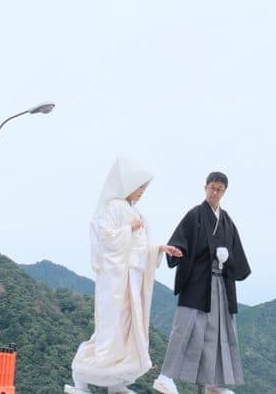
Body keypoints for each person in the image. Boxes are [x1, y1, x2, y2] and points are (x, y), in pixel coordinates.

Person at [65, 157, 183, 394]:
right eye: (140, 187)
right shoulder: (114, 207)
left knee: (127, 334)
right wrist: (129, 229)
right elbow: (105, 238)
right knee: (109, 334)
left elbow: (139, 248)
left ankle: (116, 384)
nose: (141, 192)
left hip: (132, 282)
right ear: (128, 184)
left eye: (144, 188)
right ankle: (80, 378)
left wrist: (158, 249)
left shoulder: (135, 211)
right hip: (116, 282)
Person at [153, 171, 250, 394]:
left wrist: (227, 258)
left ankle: (212, 383)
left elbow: (237, 255)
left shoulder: (227, 221)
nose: (215, 192)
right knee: (185, 327)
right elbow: (179, 243)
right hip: (198, 282)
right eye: (212, 188)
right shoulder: (194, 215)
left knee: (218, 333)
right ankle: (165, 376)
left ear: (225, 192)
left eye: (220, 189)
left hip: (220, 285)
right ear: (205, 187)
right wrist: (177, 252)